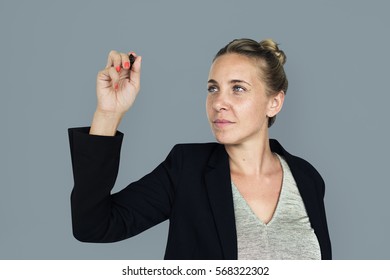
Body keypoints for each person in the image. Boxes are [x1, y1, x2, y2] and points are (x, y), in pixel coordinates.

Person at [68, 38, 332, 259]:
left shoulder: (306, 178)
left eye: (238, 88)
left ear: (274, 103)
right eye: (213, 89)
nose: (219, 102)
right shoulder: (186, 170)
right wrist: (108, 113)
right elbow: (93, 226)